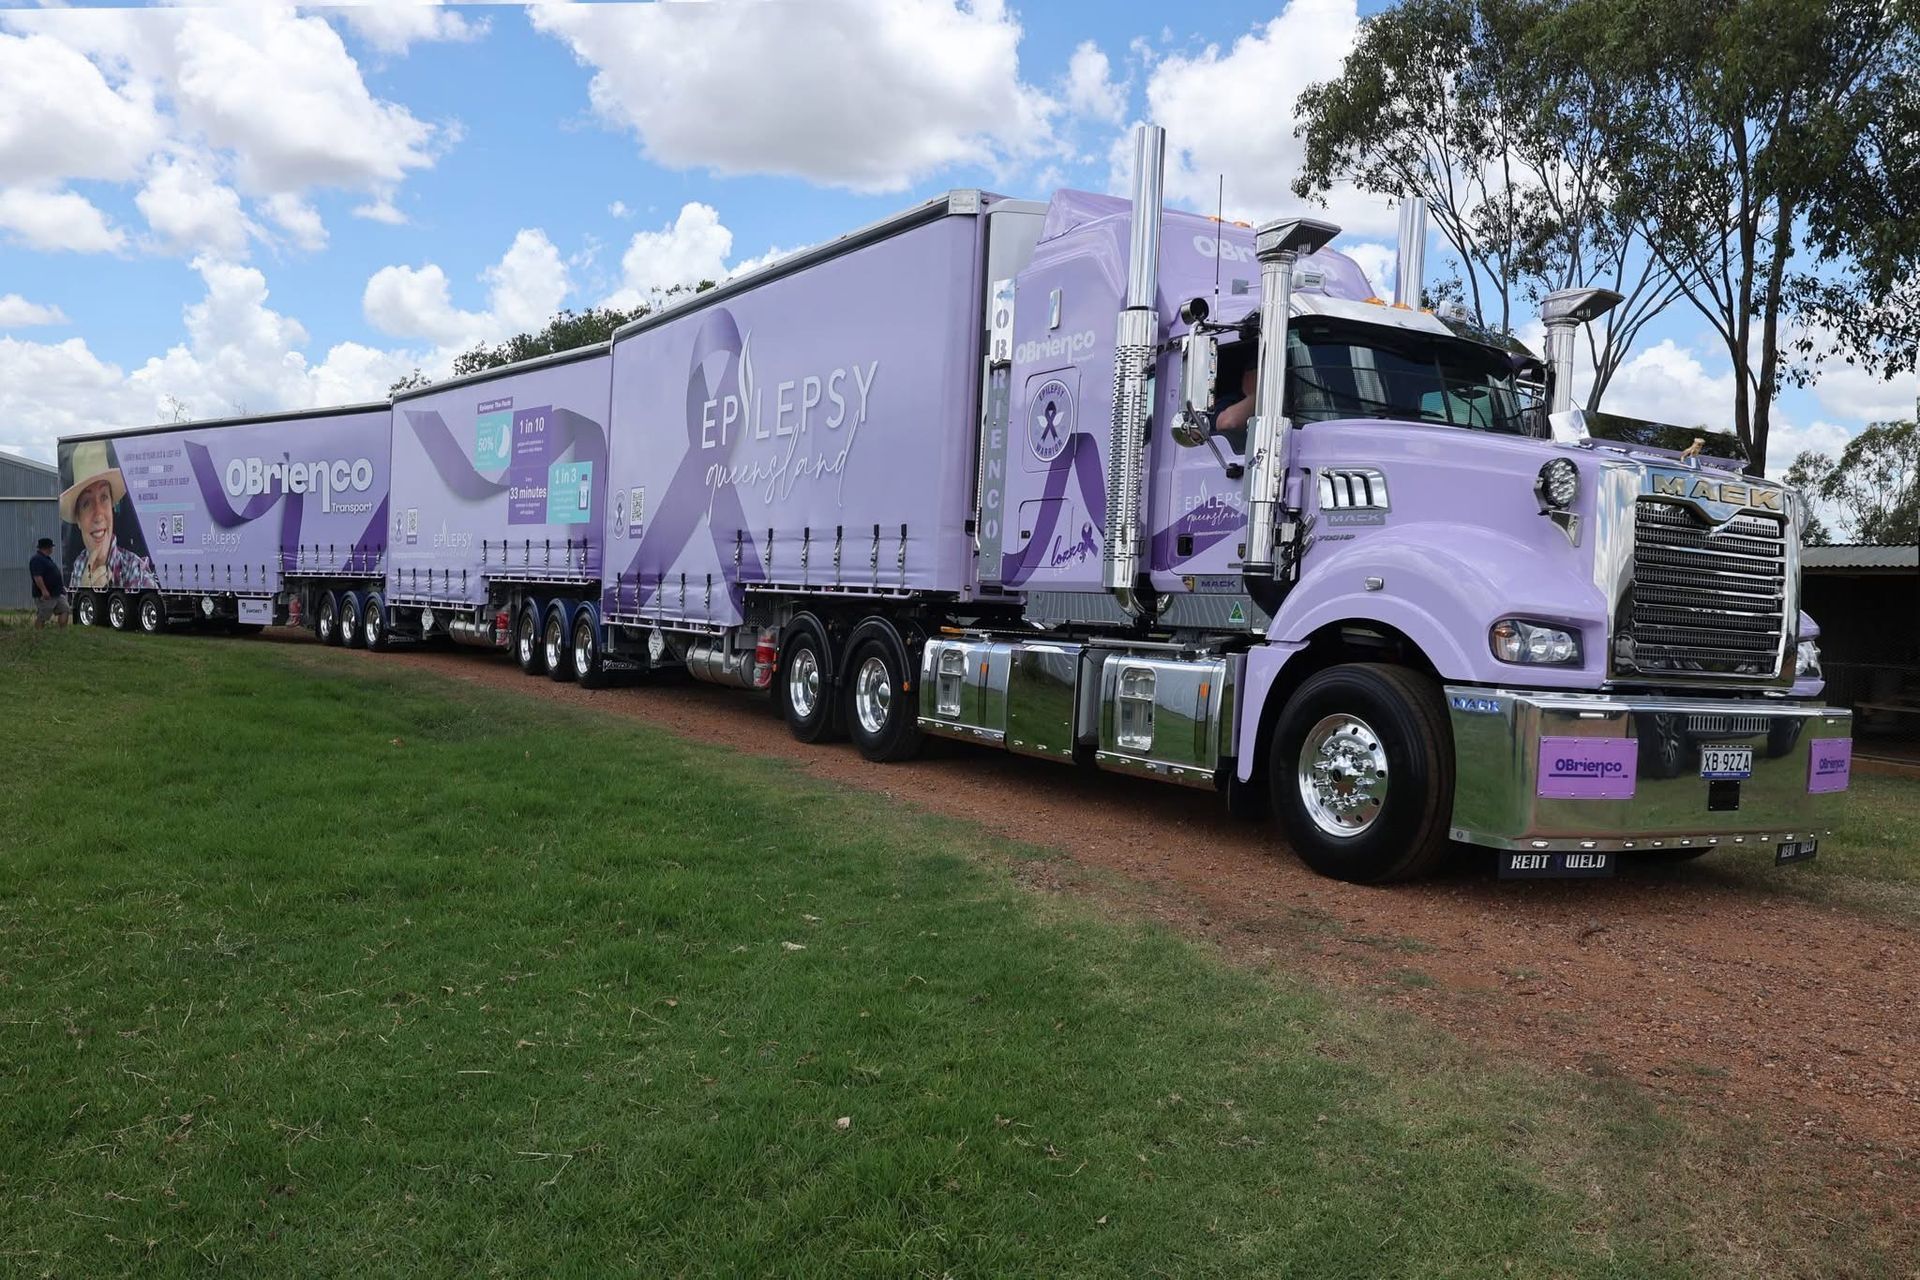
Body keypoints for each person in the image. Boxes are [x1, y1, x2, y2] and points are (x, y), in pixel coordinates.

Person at [59, 439, 158, 592]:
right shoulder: (79, 564)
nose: (98, 514)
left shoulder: (136, 571)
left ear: (112, 506)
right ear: (78, 519)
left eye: (104, 497)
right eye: (86, 503)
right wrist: (85, 592)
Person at [29, 536, 69, 628]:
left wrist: (61, 588)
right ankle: (38, 633)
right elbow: (37, 576)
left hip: (56, 593)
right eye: (51, 547)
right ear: (46, 547)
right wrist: (44, 590)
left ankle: (62, 632)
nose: (52, 549)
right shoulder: (37, 559)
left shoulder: (46, 559)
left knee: (65, 609)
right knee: (44, 615)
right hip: (45, 595)